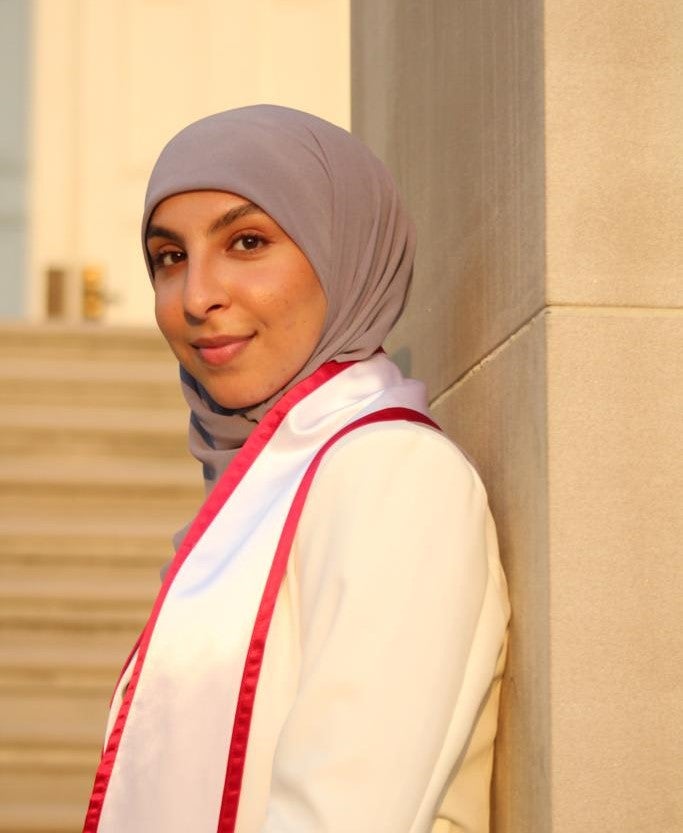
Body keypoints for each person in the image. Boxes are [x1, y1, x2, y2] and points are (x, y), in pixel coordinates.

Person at [82, 105, 510, 833]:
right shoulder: (255, 498)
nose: (196, 297)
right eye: (169, 257)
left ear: (344, 250)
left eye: (247, 242)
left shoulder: (392, 476)